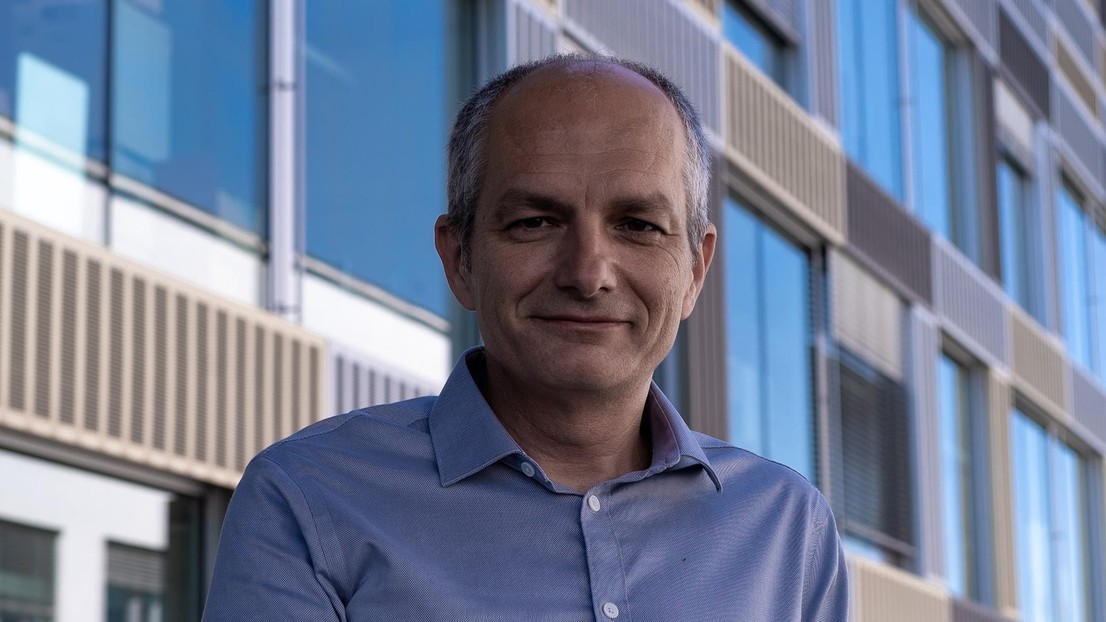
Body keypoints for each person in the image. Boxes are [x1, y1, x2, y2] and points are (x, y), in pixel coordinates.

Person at [203, 54, 848, 621]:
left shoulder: (788, 529)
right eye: (536, 222)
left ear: (695, 271)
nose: (587, 274)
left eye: (639, 226)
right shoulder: (311, 500)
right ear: (459, 258)